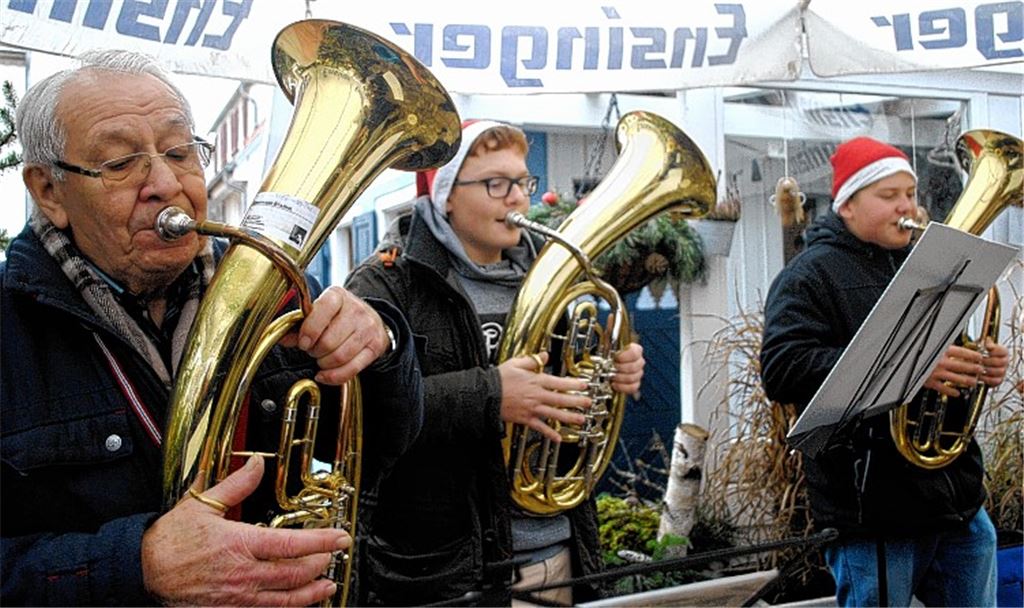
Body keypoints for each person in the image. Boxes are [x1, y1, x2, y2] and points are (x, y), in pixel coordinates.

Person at [1, 50, 424, 606]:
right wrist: (137, 564)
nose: (165, 184)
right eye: (121, 162)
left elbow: (385, 446)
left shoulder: (273, 289)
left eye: (180, 152)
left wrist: (382, 348)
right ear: (49, 192)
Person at [345, 120, 645, 606]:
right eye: (495, 184)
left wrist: (608, 374)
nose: (518, 200)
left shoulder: (551, 275)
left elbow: (570, 405)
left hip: (556, 551)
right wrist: (492, 395)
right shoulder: (387, 284)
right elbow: (364, 418)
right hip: (445, 575)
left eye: (523, 183)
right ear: (445, 195)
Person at [760, 136, 1010, 607]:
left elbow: (942, 359)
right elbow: (782, 369)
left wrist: (978, 365)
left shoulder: (929, 264)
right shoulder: (808, 275)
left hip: (956, 498)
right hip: (872, 507)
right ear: (848, 205)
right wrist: (910, 367)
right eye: (888, 195)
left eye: (910, 194)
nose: (907, 206)